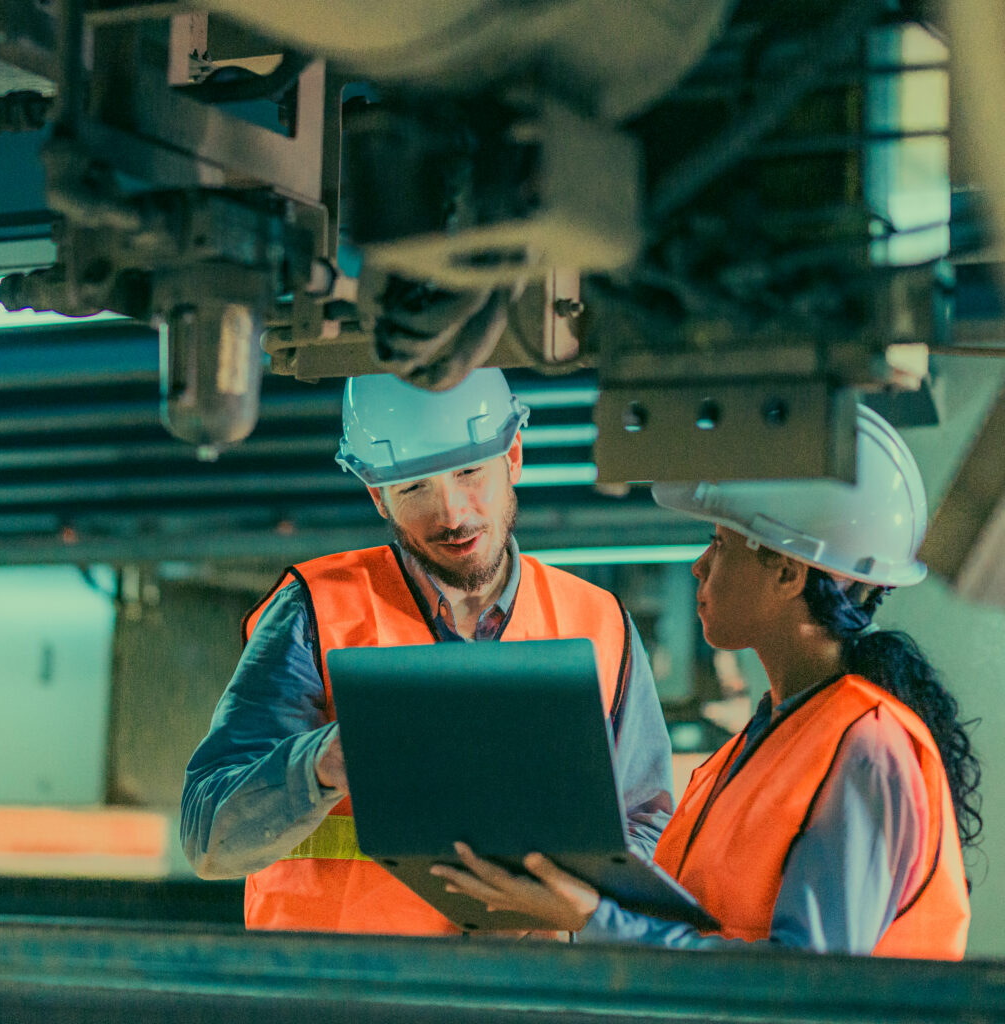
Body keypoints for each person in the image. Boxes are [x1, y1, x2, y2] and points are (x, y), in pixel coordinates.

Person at [432, 405, 980, 959]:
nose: (699, 565)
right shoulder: (748, 753)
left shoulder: (870, 747)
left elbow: (807, 985)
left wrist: (595, 919)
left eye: (720, 543)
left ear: (788, 574)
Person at [180, 367, 674, 934]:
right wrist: (323, 762)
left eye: (469, 472)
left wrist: (575, 902)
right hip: (340, 995)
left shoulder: (601, 623)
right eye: (415, 487)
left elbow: (646, 835)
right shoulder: (315, 612)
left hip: (521, 994)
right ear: (378, 495)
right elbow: (206, 838)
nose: (452, 515)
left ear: (512, 455)